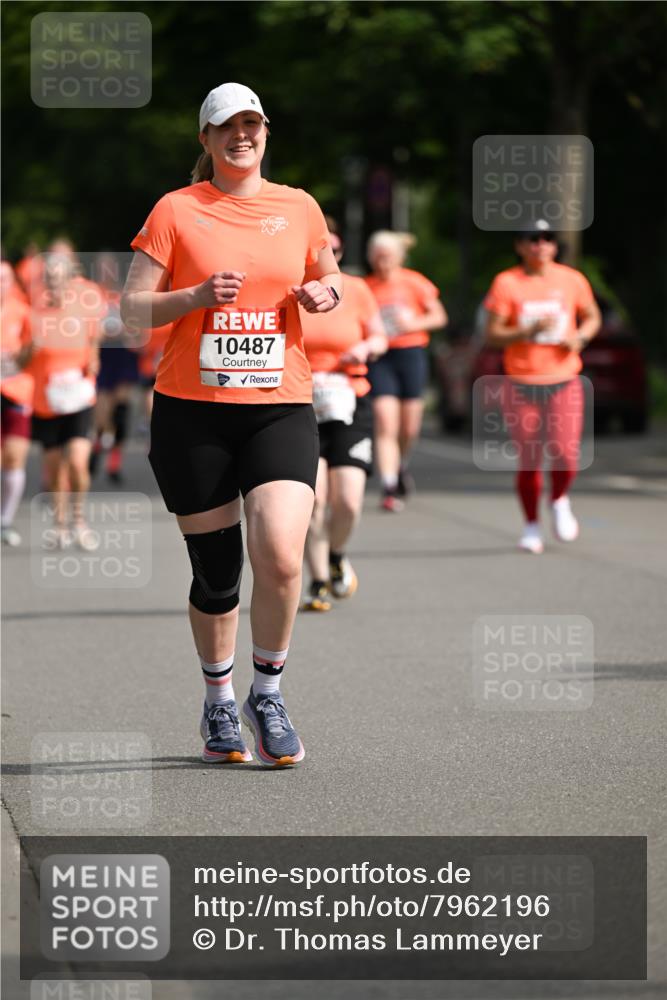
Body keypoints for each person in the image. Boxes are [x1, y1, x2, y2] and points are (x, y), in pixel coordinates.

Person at [120, 82, 342, 767]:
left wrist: (320, 293)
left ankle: (266, 693)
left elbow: (330, 280)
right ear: (206, 140)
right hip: (195, 414)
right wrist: (190, 296)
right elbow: (130, 312)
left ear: (266, 132)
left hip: (279, 405)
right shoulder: (176, 210)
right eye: (226, 127)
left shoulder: (298, 206)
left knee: (278, 553)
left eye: (251, 124)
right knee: (218, 576)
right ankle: (218, 701)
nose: (240, 135)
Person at [484, 220, 601, 554]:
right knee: (531, 457)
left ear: (554, 245)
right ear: (520, 246)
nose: (540, 245)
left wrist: (581, 336)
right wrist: (526, 331)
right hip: (522, 381)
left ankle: (560, 498)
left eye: (547, 239)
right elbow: (492, 335)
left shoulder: (571, 280)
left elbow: (592, 316)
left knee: (565, 453)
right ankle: (531, 525)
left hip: (564, 379)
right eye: (532, 239)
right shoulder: (507, 283)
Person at [300, 222, 388, 611]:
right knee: (313, 501)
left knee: (348, 501)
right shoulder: (289, 290)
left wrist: (366, 349)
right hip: (299, 403)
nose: (326, 256)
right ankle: (318, 580)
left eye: (332, 249)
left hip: (349, 400)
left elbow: (380, 336)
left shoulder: (356, 289)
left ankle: (336, 554)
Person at [25, 243, 103, 549]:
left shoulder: (82, 304)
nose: (54, 282)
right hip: (46, 400)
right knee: (55, 468)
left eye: (59, 277)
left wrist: (93, 357)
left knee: (78, 464)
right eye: (49, 277)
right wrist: (28, 351)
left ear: (70, 278)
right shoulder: (35, 310)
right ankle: (59, 526)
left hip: (79, 395)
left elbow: (94, 333)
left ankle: (79, 521)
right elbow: (21, 354)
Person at [365, 231, 447, 511]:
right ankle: (389, 486)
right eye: (376, 257)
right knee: (385, 422)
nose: (382, 262)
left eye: (387, 256)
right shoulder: (366, 287)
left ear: (399, 257)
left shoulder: (415, 283)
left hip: (411, 354)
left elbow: (439, 316)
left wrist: (412, 324)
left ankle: (401, 465)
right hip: (379, 357)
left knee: (409, 426)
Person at [89, 252, 140, 483]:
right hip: (101, 354)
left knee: (121, 410)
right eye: (102, 269)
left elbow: (137, 327)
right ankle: (99, 443)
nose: (106, 273)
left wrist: (130, 333)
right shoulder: (91, 296)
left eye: (110, 268)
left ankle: (114, 463)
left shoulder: (123, 295)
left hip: (122, 354)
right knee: (102, 411)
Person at [1, 262, 34, 546]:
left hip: (16, 392)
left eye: (5, 280)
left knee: (14, 455)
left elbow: (31, 352)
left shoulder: (22, 311)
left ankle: (6, 520)